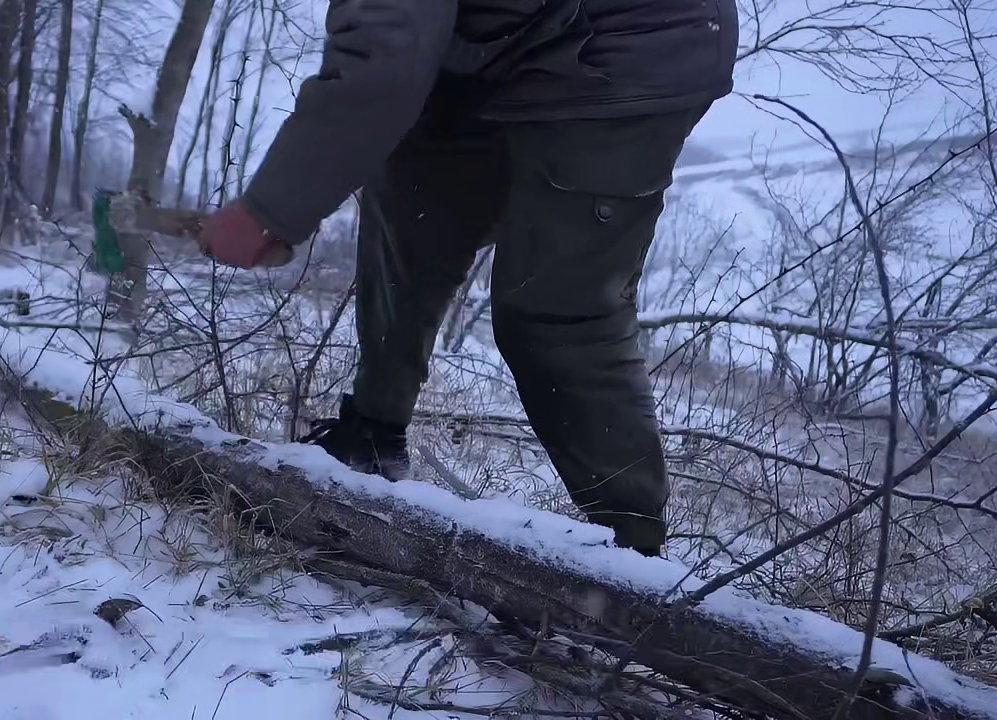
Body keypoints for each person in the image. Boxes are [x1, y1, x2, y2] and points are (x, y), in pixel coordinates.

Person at [199, 0, 739, 558]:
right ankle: (370, 440)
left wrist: (269, 210)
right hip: (504, 44)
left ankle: (634, 565)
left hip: (630, 43)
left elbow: (386, 55)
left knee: (553, 305)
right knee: (411, 201)